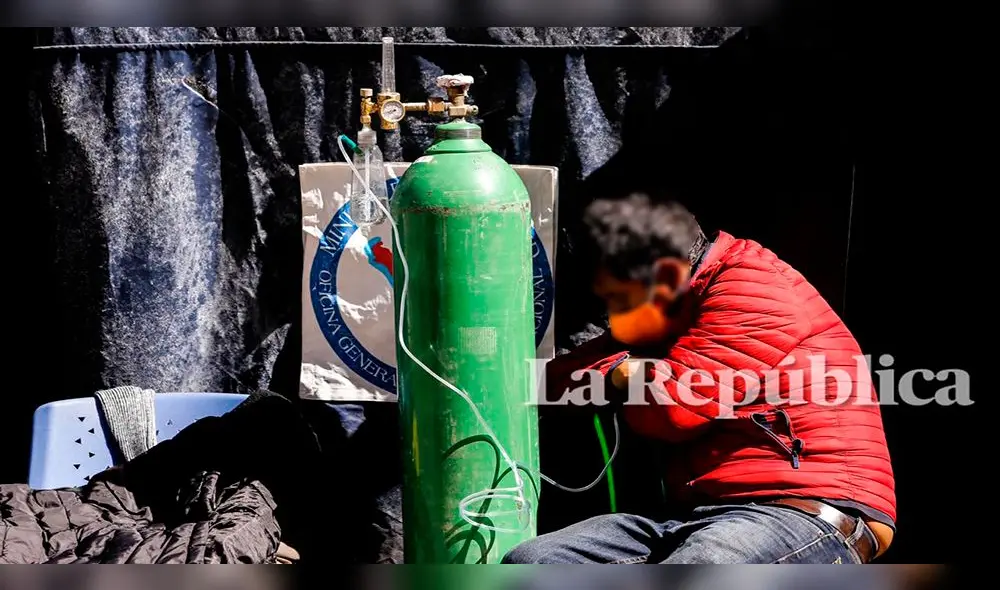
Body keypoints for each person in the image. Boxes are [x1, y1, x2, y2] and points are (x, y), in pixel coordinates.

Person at [503, 194, 895, 564]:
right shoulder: (671, 305)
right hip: (701, 516)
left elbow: (673, 411)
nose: (610, 310)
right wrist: (619, 368)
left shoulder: (753, 284)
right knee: (535, 562)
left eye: (618, 295)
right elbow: (550, 384)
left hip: (806, 510)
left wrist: (628, 372)